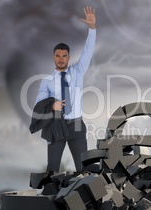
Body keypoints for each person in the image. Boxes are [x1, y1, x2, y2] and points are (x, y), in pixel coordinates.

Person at [32, 5, 96, 172]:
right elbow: (39, 106)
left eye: (64, 56)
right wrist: (52, 106)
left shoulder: (77, 72)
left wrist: (92, 28)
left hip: (76, 126)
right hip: (56, 125)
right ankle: (49, 198)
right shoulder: (46, 81)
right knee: (52, 169)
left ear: (68, 56)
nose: (61, 59)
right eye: (58, 56)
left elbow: (88, 52)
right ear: (54, 57)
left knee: (84, 169)